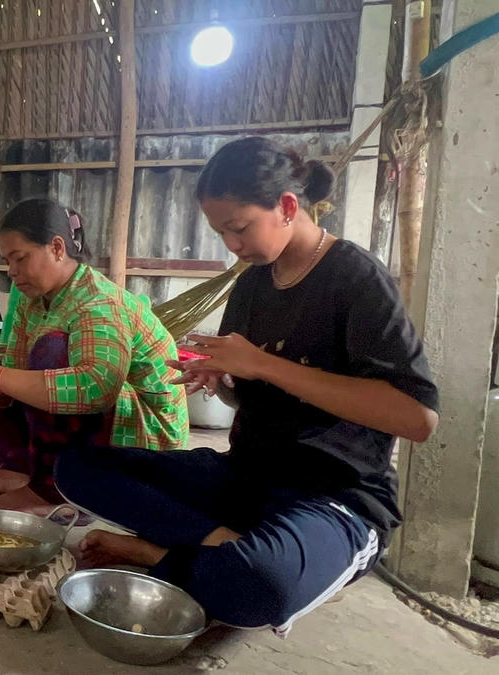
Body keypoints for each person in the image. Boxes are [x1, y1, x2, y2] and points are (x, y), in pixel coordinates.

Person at [55, 137, 440, 634]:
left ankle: (166, 554)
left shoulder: (356, 279)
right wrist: (226, 379)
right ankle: (217, 547)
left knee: (262, 585)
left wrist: (264, 364)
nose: (232, 245)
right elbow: (251, 395)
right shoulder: (254, 283)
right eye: (222, 233)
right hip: (246, 478)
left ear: (285, 206)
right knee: (77, 466)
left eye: (238, 228)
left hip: (335, 498)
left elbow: (417, 417)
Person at [0, 198, 190, 512]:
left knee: (50, 352)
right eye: (8, 261)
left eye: (20, 258)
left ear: (57, 247)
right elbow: (15, 376)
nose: (12, 271)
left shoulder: (97, 302)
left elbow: (98, 388)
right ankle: (18, 471)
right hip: (105, 422)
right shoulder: (30, 299)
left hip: (145, 441)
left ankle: (52, 493)